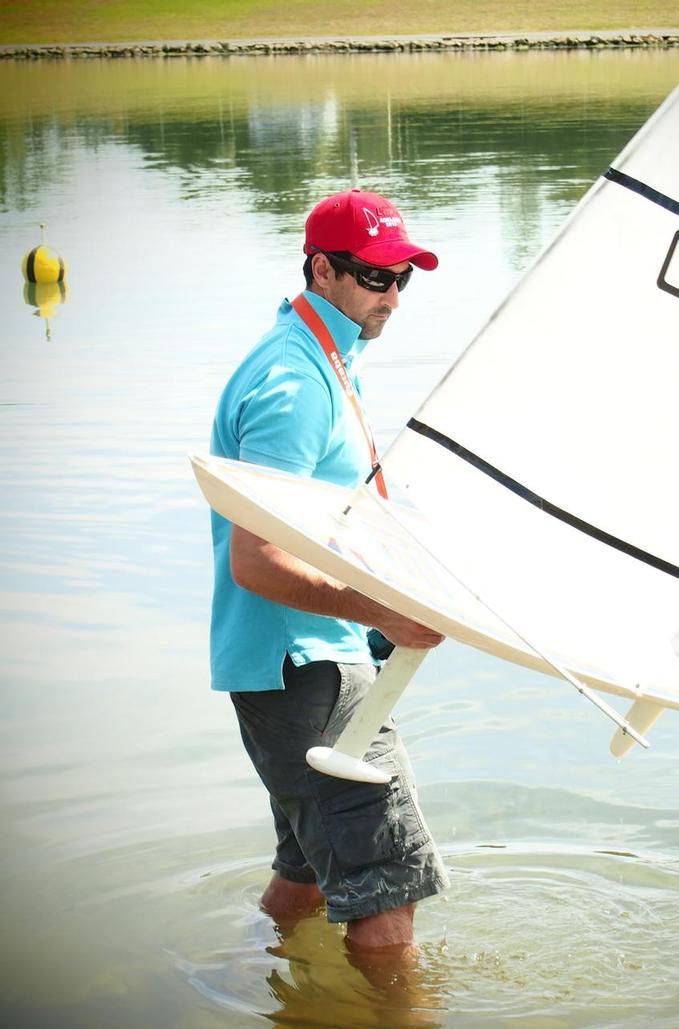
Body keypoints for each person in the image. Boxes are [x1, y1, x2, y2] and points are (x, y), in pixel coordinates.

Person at [207, 189, 449, 953]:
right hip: (302, 667)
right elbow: (256, 559)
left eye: (403, 276)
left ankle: (251, 980)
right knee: (386, 893)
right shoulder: (294, 384)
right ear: (322, 268)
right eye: (376, 277)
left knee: (309, 877)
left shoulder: (324, 357)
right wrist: (378, 610)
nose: (394, 295)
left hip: (298, 664)